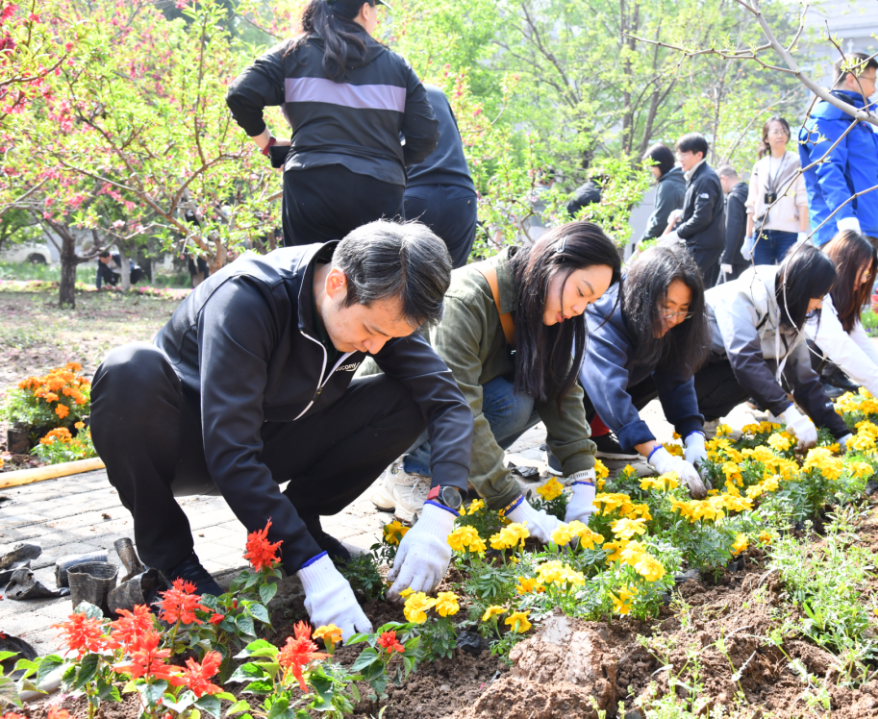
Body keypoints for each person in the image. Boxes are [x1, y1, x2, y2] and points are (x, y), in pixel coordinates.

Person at [90, 222, 472, 639]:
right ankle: (172, 561)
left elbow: (447, 401)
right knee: (129, 369)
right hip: (193, 443)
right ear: (337, 284)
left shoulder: (380, 303)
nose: (377, 348)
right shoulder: (247, 298)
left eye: (390, 336)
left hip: (276, 436)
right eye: (371, 332)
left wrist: (440, 514)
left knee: (407, 398)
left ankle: (301, 522)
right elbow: (231, 450)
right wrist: (313, 569)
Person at [370, 223, 622, 543]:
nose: (578, 309)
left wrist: (584, 481)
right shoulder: (466, 299)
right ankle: (412, 472)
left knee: (522, 396)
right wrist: (515, 506)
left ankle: (447, 472)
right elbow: (457, 406)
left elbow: (563, 392)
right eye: (581, 292)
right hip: (385, 417)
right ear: (552, 263)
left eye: (590, 302)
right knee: (501, 402)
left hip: (444, 412)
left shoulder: (539, 302)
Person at [226, 0, 439, 247]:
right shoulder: (397, 67)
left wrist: (268, 144)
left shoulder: (291, 54)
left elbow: (240, 95)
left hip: (310, 183)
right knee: (376, 271)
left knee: (310, 268)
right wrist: (388, 159)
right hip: (379, 188)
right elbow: (426, 136)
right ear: (365, 9)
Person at [577, 246, 712, 497]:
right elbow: (607, 387)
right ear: (643, 295)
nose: (674, 317)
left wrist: (694, 436)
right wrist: (660, 458)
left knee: (660, 368)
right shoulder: (606, 311)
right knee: (592, 379)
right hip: (569, 387)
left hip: (606, 387)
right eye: (667, 306)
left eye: (683, 309)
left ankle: (597, 436)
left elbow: (677, 378)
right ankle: (567, 444)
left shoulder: (671, 322)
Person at [695, 245, 852, 448]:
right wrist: (787, 412)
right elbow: (744, 360)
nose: (820, 304)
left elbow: (804, 378)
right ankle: (698, 420)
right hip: (689, 370)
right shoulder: (747, 294)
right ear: (802, 289)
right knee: (757, 370)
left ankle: (706, 418)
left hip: (716, 366)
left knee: (784, 364)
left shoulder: (789, 306)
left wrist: (840, 432)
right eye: (819, 296)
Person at [798, 53, 878, 252]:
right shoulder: (828, 119)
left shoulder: (855, 119)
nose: (875, 89)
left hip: (865, 226)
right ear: (851, 79)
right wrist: (845, 219)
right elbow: (830, 172)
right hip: (842, 231)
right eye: (872, 81)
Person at [805, 230, 878, 419]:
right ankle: (774, 399)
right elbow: (838, 345)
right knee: (815, 350)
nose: (865, 280)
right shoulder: (814, 288)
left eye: (868, 274)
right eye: (863, 272)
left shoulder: (840, 297)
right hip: (761, 364)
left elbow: (861, 343)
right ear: (845, 265)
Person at [403, 85, 477, 268]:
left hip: (416, 191)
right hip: (461, 194)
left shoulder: (394, 95)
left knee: (410, 278)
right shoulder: (437, 93)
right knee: (454, 278)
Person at [664, 133, 725, 286]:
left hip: (705, 246)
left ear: (699, 155)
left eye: (684, 154)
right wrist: (682, 214)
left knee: (693, 288)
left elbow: (702, 217)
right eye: (678, 154)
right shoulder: (697, 175)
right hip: (699, 245)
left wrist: (677, 233)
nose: (680, 159)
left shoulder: (706, 178)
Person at [746, 116, 808, 264]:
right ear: (766, 138)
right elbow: (751, 204)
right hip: (761, 233)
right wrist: (747, 237)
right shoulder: (759, 166)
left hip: (789, 234)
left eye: (784, 131)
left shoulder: (797, 162)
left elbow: (802, 200)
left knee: (786, 276)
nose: (780, 135)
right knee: (760, 275)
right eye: (775, 131)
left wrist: (802, 232)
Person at [637, 144, 686, 248]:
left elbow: (661, 220)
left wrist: (643, 241)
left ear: (661, 163)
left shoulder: (668, 185)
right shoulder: (679, 178)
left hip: (670, 244)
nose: (651, 170)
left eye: (652, 166)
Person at [718, 165, 750, 283]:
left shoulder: (734, 197)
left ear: (724, 179)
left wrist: (727, 258)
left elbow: (733, 228)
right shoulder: (748, 192)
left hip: (734, 257)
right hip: (746, 254)